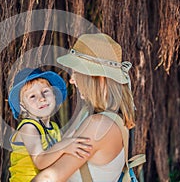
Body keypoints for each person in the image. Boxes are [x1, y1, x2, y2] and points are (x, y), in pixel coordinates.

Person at [32, 33, 136, 182]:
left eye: (77, 72)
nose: (72, 80)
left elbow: (49, 178)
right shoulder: (92, 114)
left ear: (99, 79)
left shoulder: (98, 125)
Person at [8, 68, 92, 182]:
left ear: (54, 95)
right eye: (32, 96)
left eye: (45, 92)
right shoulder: (28, 128)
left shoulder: (54, 127)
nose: (42, 98)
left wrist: (84, 112)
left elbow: (68, 139)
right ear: (23, 106)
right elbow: (40, 161)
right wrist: (64, 147)